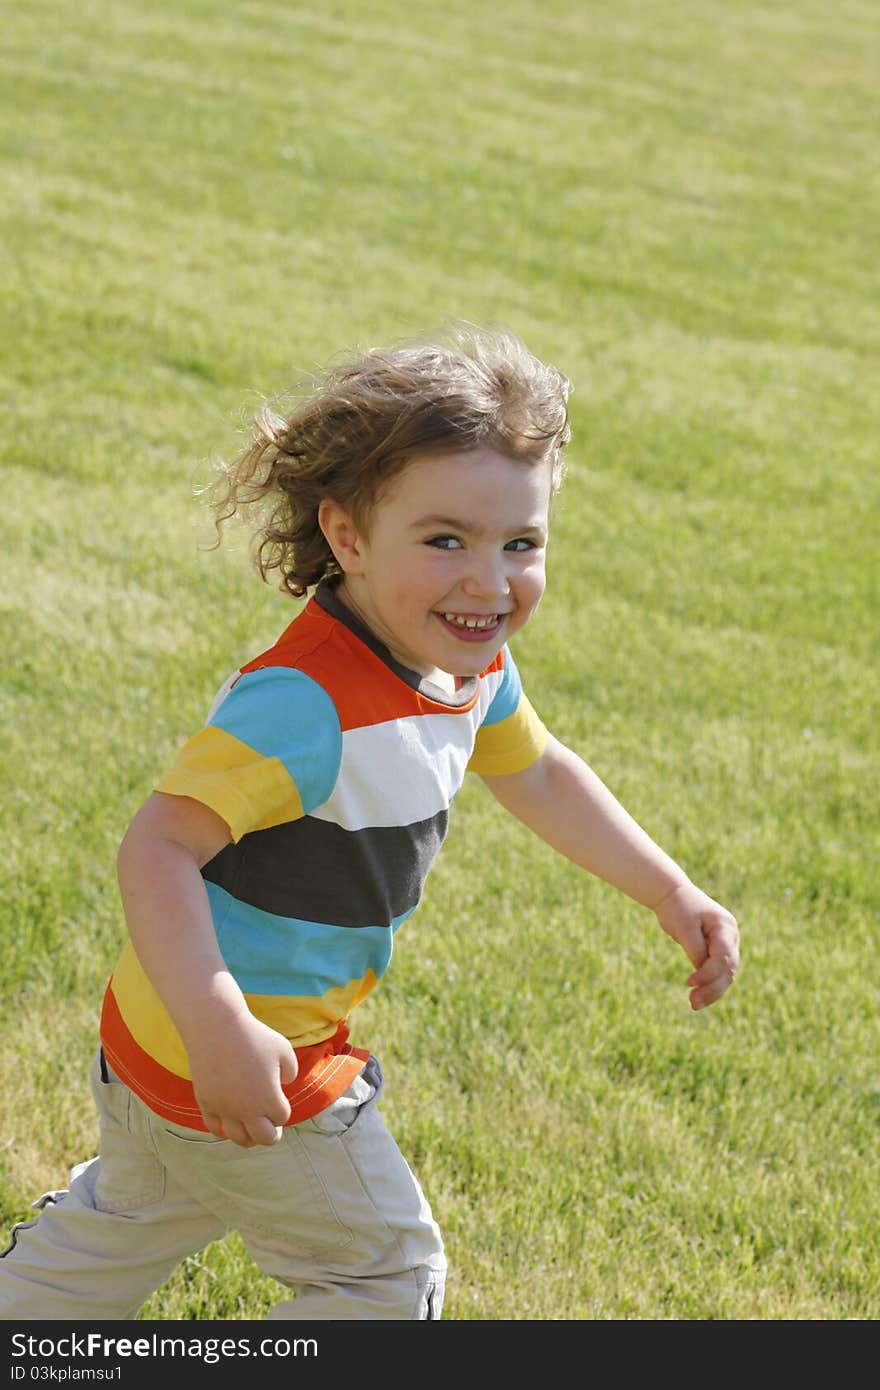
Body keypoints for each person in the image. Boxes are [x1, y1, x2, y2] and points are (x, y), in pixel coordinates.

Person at [0, 324, 738, 1322]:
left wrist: (668, 888)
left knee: (123, 1227)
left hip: (161, 1043)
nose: (488, 579)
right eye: (445, 540)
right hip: (249, 1052)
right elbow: (159, 846)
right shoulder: (306, 703)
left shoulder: (461, 663)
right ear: (347, 537)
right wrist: (222, 1026)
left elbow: (540, 771)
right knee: (384, 1278)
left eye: (520, 542)